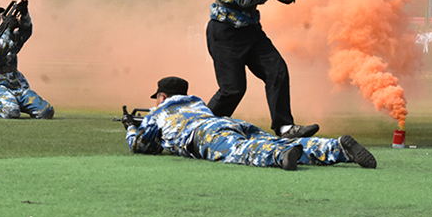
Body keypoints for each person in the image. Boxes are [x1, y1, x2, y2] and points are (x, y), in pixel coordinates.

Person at [206, 0, 318, 139]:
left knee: (277, 70)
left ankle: (285, 128)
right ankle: (200, 130)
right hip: (225, 31)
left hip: (250, 30)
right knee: (232, 90)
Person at [123, 77, 377, 170]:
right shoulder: (196, 102)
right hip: (228, 123)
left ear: (162, 96)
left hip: (203, 135)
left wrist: (131, 127)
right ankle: (338, 147)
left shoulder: (159, 112)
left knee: (242, 152)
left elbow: (141, 145)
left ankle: (279, 155)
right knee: (270, 140)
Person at [0, 0, 54, 119]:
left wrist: (24, 13)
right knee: (11, 112)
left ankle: (13, 103)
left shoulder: (9, 36)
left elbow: (26, 32)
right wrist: (8, 30)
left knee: (46, 111)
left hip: (17, 83)